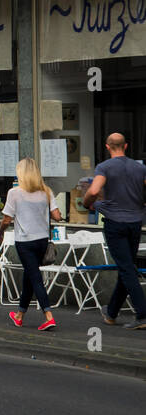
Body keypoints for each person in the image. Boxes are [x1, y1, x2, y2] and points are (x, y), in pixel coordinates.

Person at [83, 133, 146, 328]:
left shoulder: (105, 167)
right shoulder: (140, 168)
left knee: (127, 268)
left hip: (115, 222)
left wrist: (87, 203)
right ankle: (111, 313)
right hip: (135, 222)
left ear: (107, 147)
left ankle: (142, 314)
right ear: (125, 146)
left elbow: (94, 191)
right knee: (126, 265)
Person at [0, 158, 61, 331]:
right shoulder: (46, 191)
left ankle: (48, 315)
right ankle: (19, 315)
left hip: (25, 242)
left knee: (35, 278)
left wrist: (0, 232)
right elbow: (57, 216)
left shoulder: (14, 193)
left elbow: (7, 219)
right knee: (30, 277)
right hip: (42, 241)